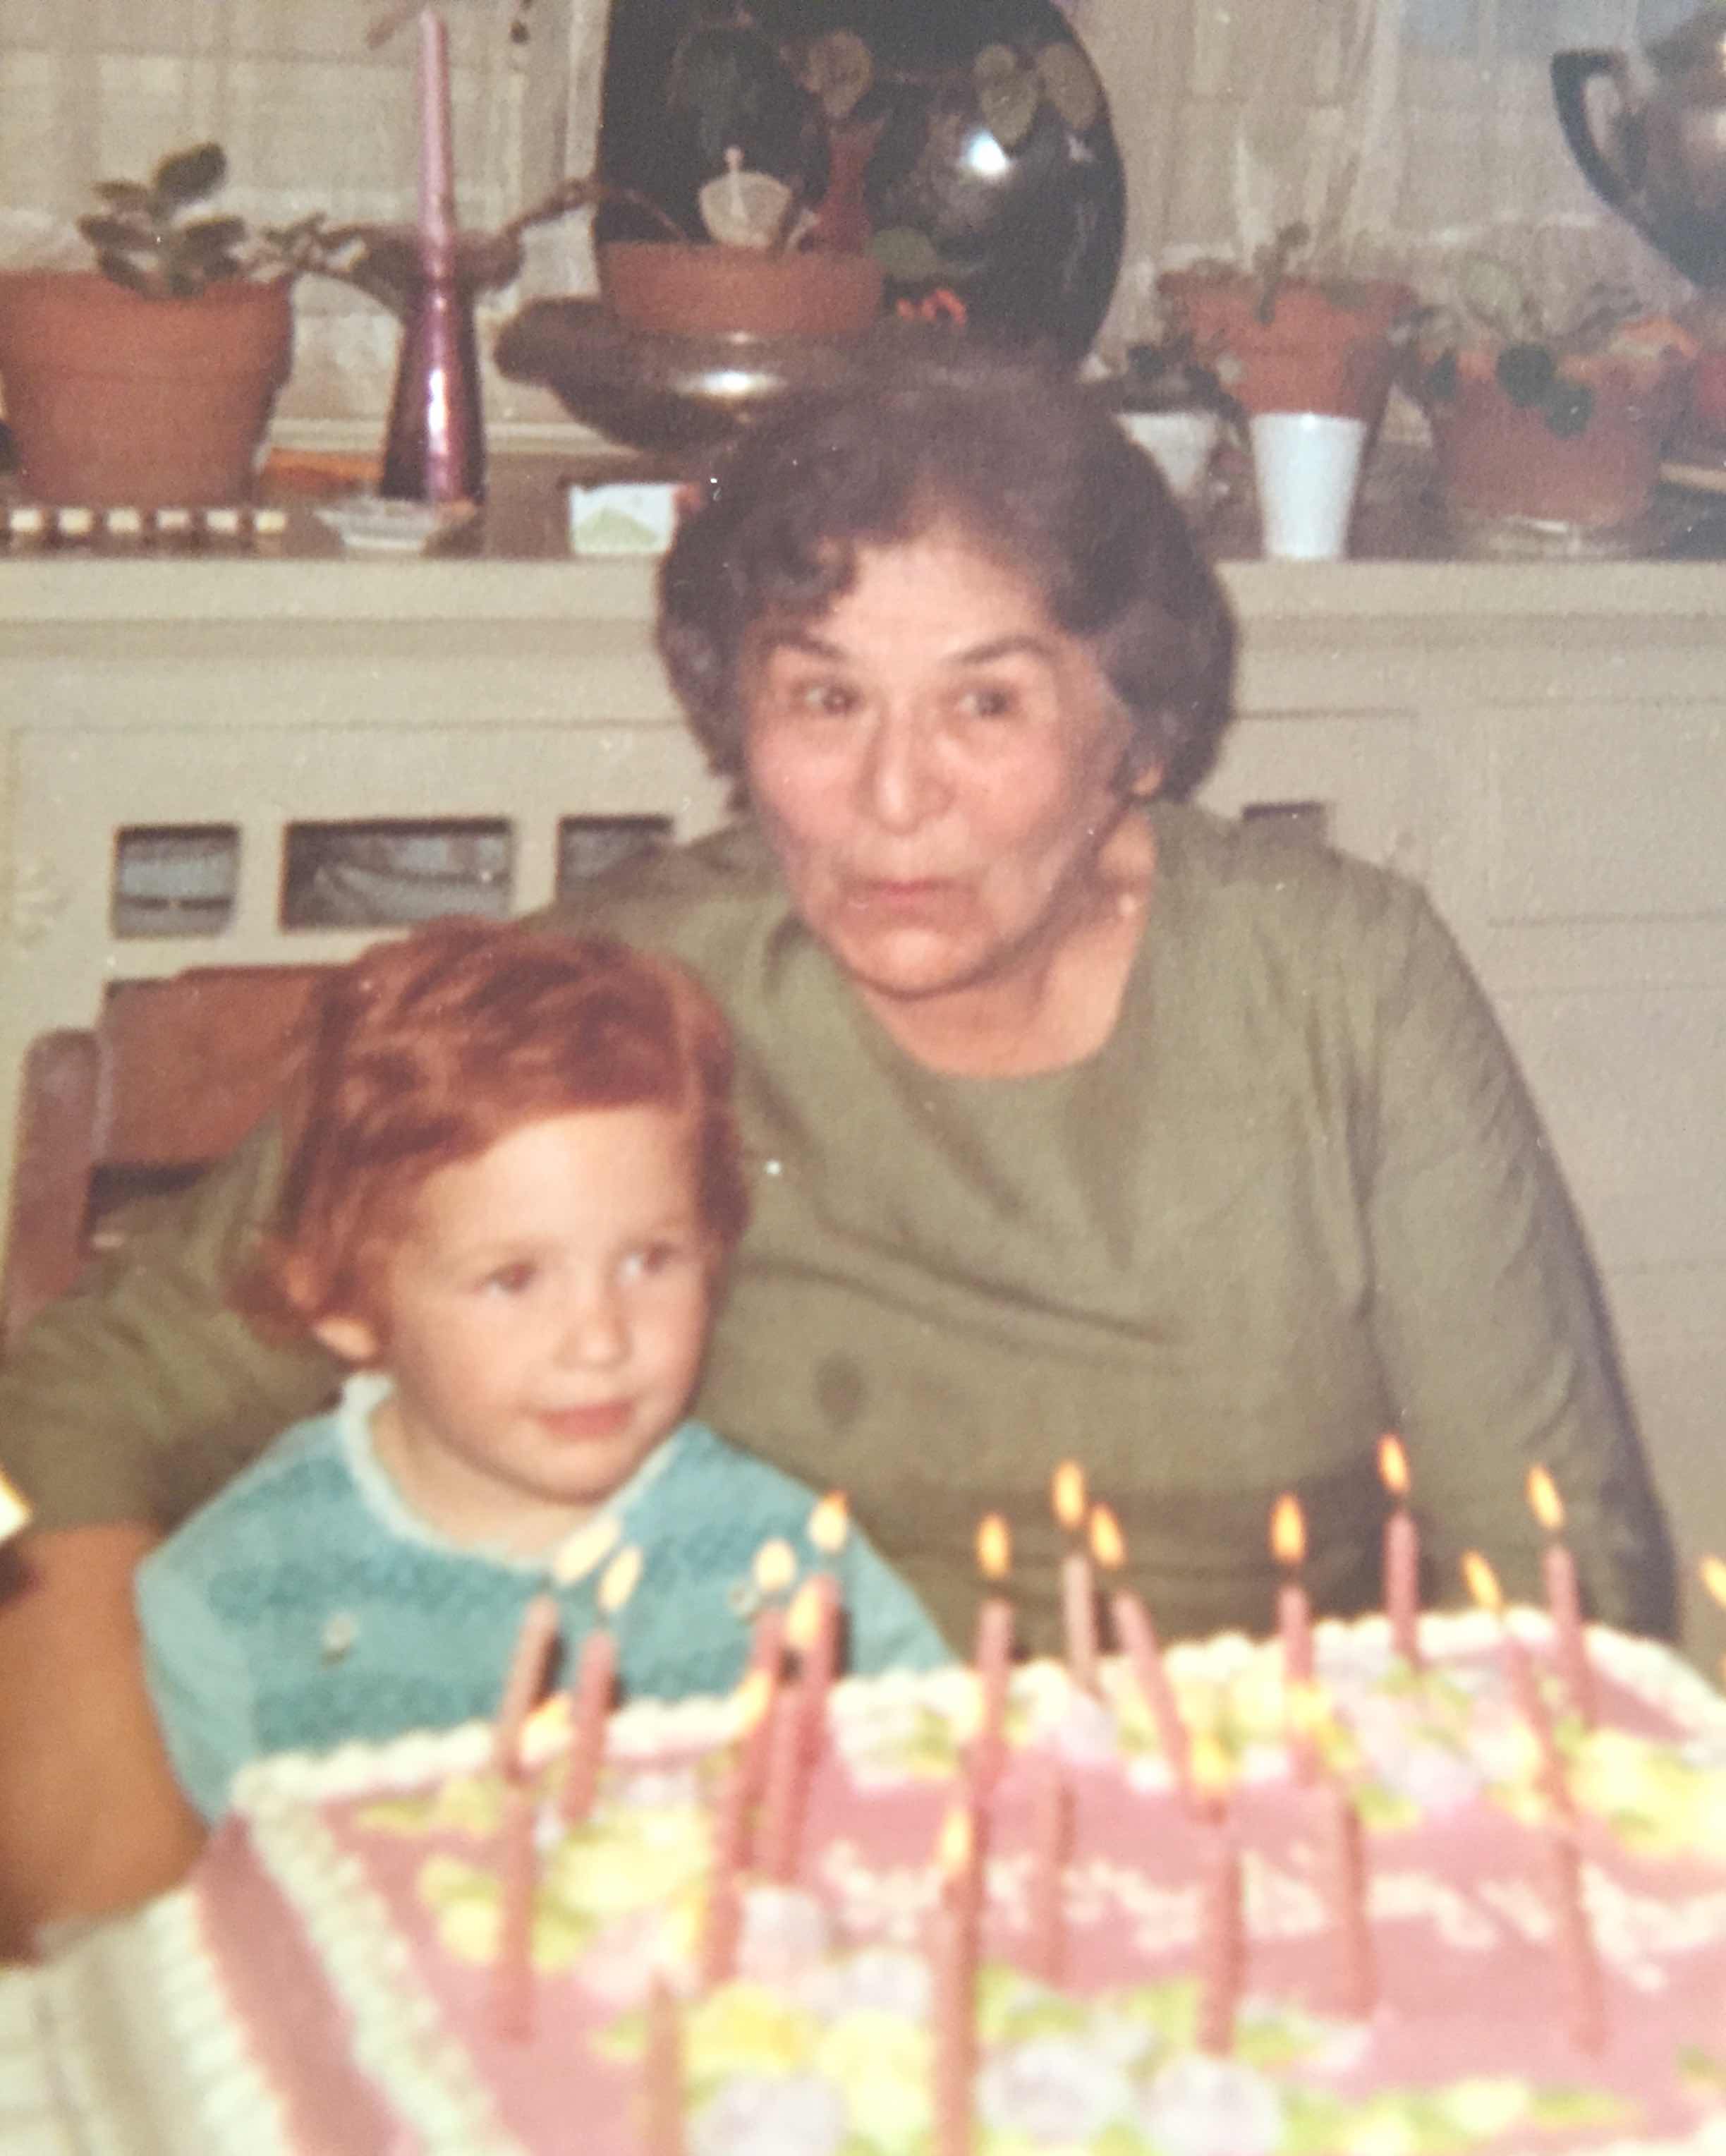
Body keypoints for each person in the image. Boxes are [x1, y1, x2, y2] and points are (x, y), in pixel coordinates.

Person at [0, 341, 1672, 1939]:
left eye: (984, 704)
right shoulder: (628, 1002)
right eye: (822, 697)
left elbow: (1555, 1577)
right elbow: (84, 1391)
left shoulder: (1340, 980)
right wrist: (127, 1884)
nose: (891, 798)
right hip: (748, 1909)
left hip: (1258, 1861)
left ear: (1134, 732)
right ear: (734, 717)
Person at [132, 921, 946, 1822]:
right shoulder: (231, 1598)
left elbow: (944, 1798)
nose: (599, 1340)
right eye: (513, 1278)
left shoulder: (792, 1563)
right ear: (342, 1300)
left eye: (648, 1260)